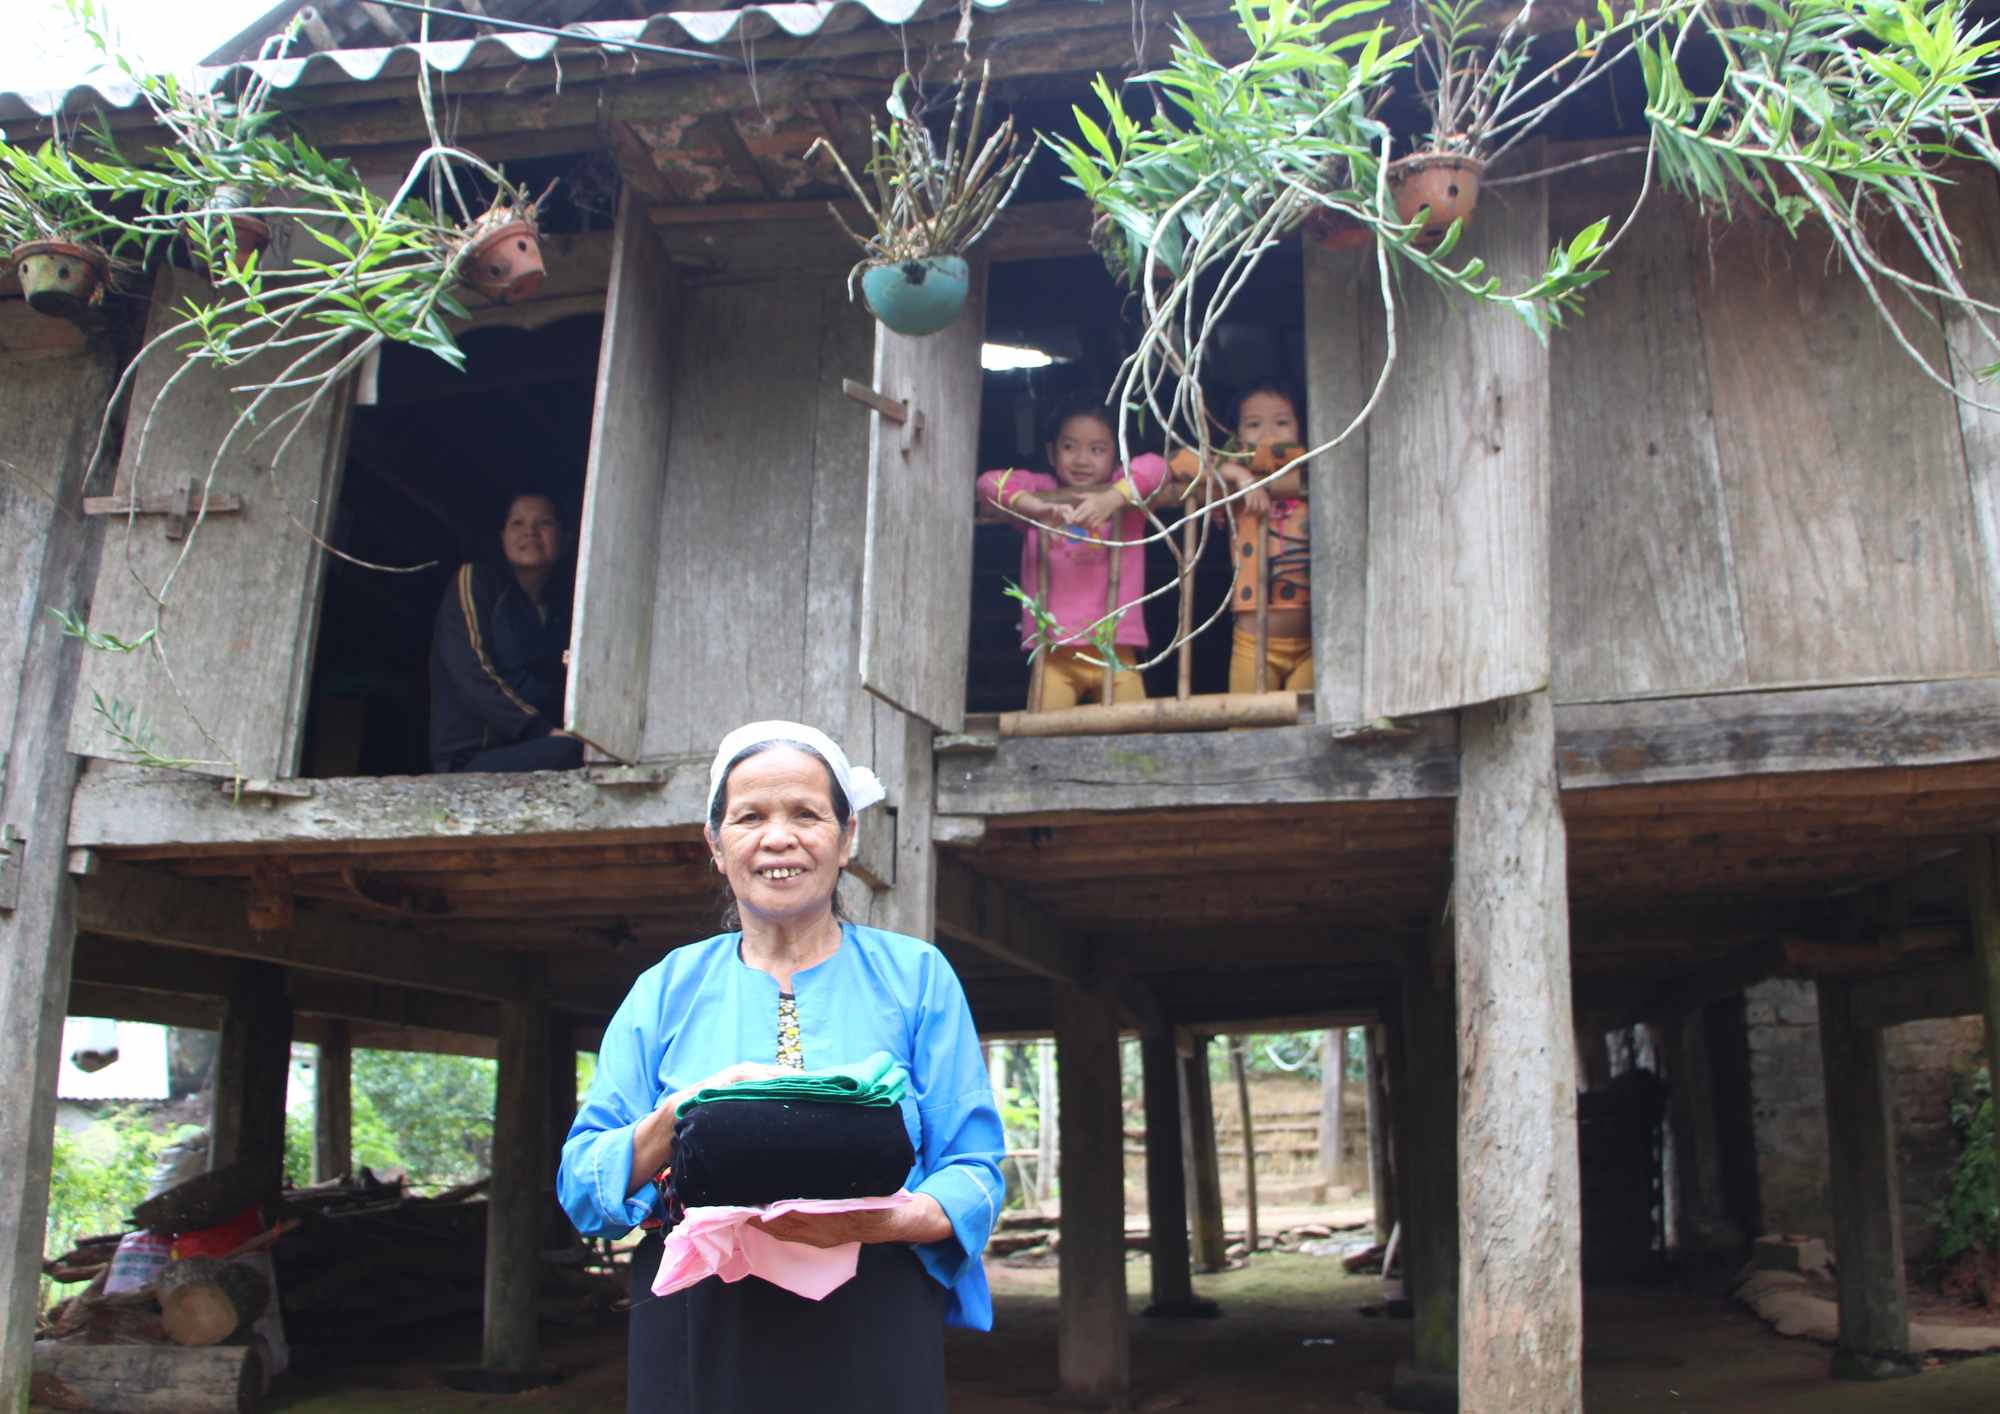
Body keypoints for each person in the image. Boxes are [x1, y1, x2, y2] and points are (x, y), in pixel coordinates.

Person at [558, 721, 1004, 1413]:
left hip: (874, 1319)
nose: (778, 838)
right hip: (699, 1323)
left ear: (846, 837)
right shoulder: (665, 989)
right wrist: (681, 1114)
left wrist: (873, 1223)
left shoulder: (917, 978)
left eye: (806, 814)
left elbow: (974, 1172)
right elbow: (582, 1183)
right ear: (715, 844)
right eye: (750, 817)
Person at [976, 398, 1169, 709]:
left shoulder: (1125, 498)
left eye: (1097, 449)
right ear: (1051, 452)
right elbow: (987, 483)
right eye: (1069, 447)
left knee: (1132, 732)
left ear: (1116, 455)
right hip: (1055, 651)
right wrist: (1036, 508)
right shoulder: (1041, 491)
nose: (1082, 460)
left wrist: (1112, 498)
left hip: (1115, 648)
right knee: (1047, 732)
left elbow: (1159, 467)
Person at [428, 491, 584, 773]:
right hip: (471, 755)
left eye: (544, 523)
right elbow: (470, 669)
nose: (530, 532)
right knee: (572, 753)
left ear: (566, 540)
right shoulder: (476, 581)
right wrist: (539, 729)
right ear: (502, 537)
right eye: (518, 523)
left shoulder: (561, 609)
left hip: (533, 746)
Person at [1175, 383, 1314, 693]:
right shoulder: (1233, 481)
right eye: (1253, 424)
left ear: (1302, 429)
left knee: (1306, 717)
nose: (1268, 434)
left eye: (1282, 422)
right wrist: (1238, 475)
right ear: (1236, 437)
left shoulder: (1316, 470)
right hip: (1253, 644)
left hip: (1315, 644)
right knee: (1249, 719)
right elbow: (1178, 461)